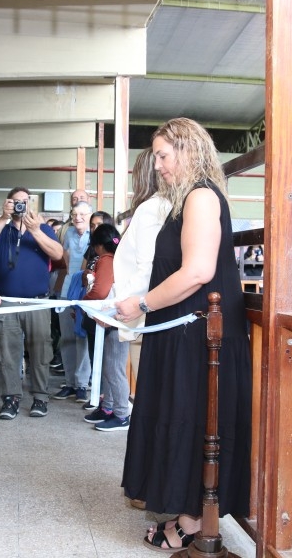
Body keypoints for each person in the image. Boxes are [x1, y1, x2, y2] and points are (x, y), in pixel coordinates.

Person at [115, 118, 251, 551]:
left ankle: (190, 524)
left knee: (194, 422)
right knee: (187, 420)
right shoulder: (190, 199)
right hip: (186, 333)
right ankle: (188, 513)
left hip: (197, 337)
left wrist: (140, 304)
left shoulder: (201, 197)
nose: (158, 166)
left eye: (163, 156)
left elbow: (197, 272)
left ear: (189, 150)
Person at [0, 187, 63, 420]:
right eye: (15, 202)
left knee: (40, 350)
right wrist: (3, 218)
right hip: (7, 301)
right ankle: (11, 398)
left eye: (24, 202)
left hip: (36, 301)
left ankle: (40, 397)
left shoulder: (43, 227)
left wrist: (35, 230)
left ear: (31, 204)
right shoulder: (2, 227)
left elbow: (57, 254)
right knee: (8, 353)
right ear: (8, 203)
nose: (20, 206)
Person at [111, 149, 170, 397]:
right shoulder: (167, 205)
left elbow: (146, 266)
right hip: (156, 307)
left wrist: (115, 305)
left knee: (148, 392)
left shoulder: (150, 209)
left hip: (142, 312)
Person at [81, 223, 130, 431]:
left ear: (98, 246)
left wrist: (84, 302)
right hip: (116, 317)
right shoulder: (120, 258)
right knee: (110, 366)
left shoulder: (106, 260)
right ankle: (108, 407)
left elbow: (100, 291)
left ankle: (121, 413)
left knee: (114, 368)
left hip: (112, 319)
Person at [53, 200, 93, 403]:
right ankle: (69, 382)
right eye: (75, 214)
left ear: (90, 215)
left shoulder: (94, 235)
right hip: (67, 289)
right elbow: (64, 262)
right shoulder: (67, 233)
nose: (78, 218)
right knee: (66, 337)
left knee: (82, 338)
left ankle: (81, 384)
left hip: (84, 292)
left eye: (82, 214)